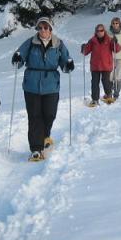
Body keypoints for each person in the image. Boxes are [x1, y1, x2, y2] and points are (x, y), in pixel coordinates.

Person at [11, 16, 75, 161]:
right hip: (32, 85)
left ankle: (45, 136)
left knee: (50, 114)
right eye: (40, 27)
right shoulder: (30, 43)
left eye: (45, 27)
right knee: (34, 116)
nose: (43, 30)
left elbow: (66, 60)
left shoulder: (58, 44)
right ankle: (36, 148)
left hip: (51, 85)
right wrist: (17, 59)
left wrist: (68, 65)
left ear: (50, 29)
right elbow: (19, 57)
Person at [80, 23, 118, 106]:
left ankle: (108, 96)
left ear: (104, 31)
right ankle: (95, 99)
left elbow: (117, 49)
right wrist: (83, 48)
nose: (100, 32)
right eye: (98, 31)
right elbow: (85, 52)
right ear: (96, 32)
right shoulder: (92, 41)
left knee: (106, 82)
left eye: (101, 30)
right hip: (95, 66)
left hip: (106, 65)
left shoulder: (109, 40)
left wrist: (116, 42)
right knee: (94, 83)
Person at [106, 16, 121, 101]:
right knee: (110, 75)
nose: (115, 25)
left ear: (119, 24)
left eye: (117, 23)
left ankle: (116, 93)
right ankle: (109, 93)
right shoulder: (108, 33)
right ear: (111, 24)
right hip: (111, 56)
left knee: (118, 75)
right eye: (113, 23)